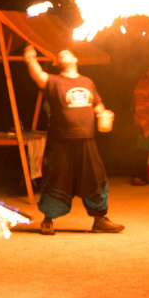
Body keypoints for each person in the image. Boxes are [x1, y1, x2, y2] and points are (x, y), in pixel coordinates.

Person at [24, 44, 124, 235]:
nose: (62, 53)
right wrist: (30, 59)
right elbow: (38, 76)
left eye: (66, 52)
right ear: (57, 63)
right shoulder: (54, 81)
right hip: (61, 141)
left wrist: (105, 113)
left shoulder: (87, 81)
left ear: (75, 59)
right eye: (59, 54)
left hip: (86, 139)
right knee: (55, 178)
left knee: (95, 177)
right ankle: (47, 220)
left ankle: (99, 220)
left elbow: (96, 104)